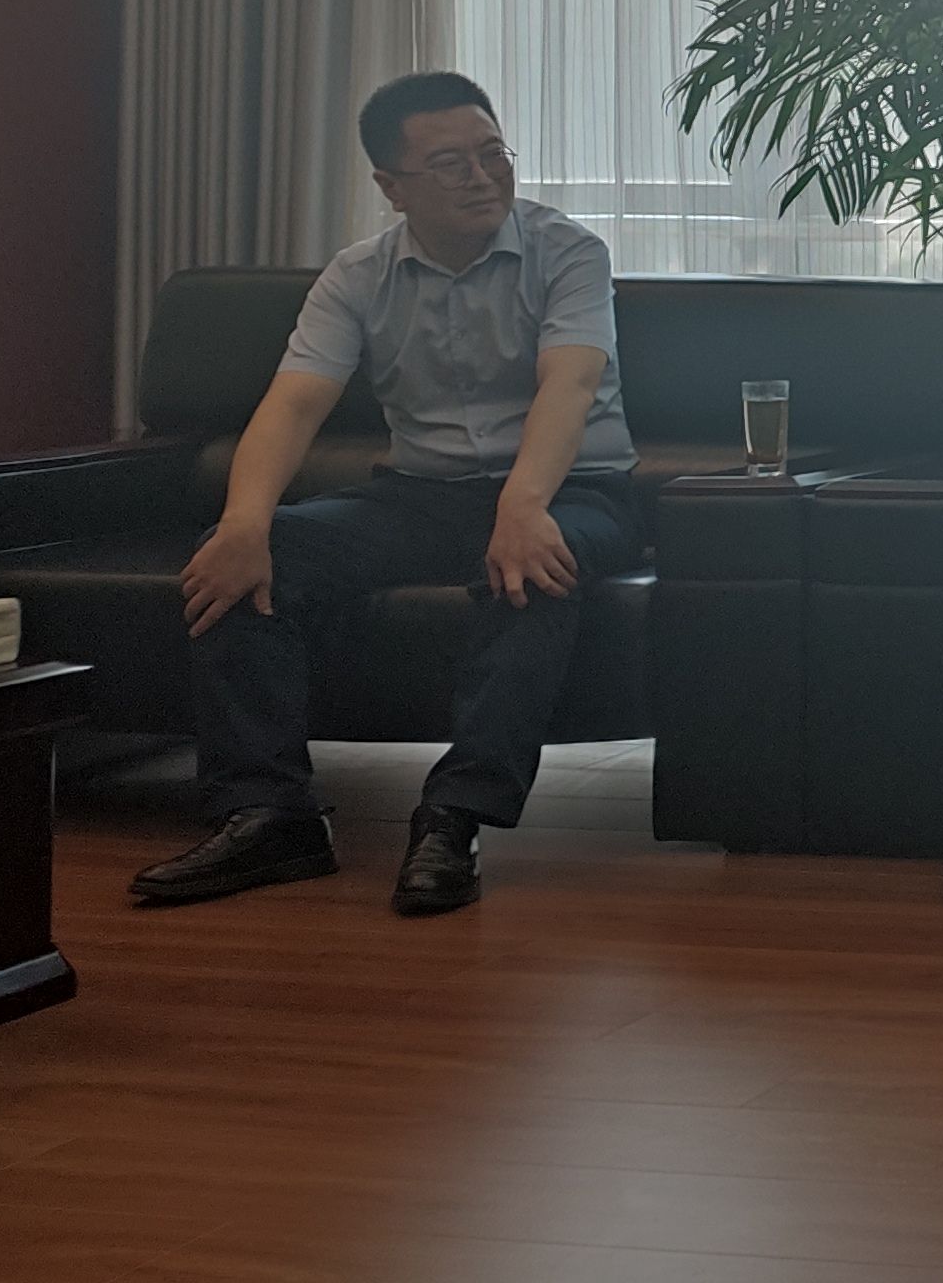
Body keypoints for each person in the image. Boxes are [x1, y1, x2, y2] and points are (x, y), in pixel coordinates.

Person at [134, 71, 641, 917]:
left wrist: (522, 508)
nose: (482, 177)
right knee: (249, 555)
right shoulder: (358, 275)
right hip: (419, 496)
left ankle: (455, 816)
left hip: (571, 490)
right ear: (391, 186)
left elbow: (571, 384)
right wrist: (243, 523)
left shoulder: (569, 253)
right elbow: (293, 404)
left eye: (493, 154)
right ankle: (269, 814)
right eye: (451, 164)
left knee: (531, 568)